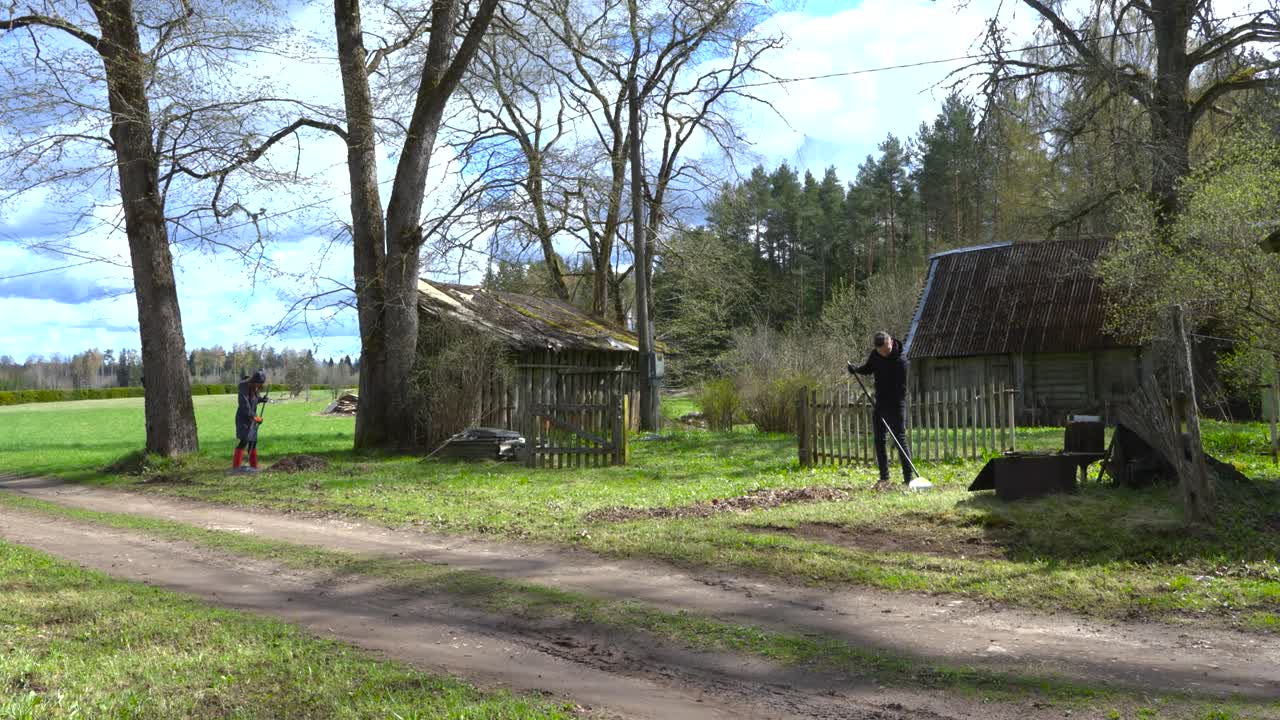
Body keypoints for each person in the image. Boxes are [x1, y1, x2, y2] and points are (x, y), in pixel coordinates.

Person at [848, 331, 913, 489]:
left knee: (899, 439)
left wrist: (888, 406)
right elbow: (869, 368)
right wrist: (856, 369)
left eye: (886, 349)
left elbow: (900, 389)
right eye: (881, 351)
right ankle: (884, 478)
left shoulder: (901, 361)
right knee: (879, 440)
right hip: (880, 403)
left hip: (896, 404)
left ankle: (908, 479)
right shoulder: (876, 355)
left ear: (890, 341)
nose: (884, 353)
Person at [233, 369, 269, 471]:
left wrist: (262, 399)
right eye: (257, 383)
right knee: (244, 441)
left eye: (260, 384)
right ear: (253, 381)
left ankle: (254, 466)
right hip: (243, 418)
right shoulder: (243, 387)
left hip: (252, 417)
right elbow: (245, 404)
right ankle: (236, 466)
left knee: (253, 441)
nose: (258, 386)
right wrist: (254, 417)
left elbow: (254, 401)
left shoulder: (255, 388)